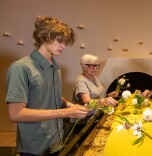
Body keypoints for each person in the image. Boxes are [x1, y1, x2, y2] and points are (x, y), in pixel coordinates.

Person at [5, 16, 90, 156]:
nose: (63, 46)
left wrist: (68, 105)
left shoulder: (55, 67)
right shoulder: (20, 68)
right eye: (60, 41)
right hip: (35, 147)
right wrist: (64, 113)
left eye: (65, 42)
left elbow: (48, 94)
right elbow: (15, 114)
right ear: (44, 37)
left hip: (57, 140)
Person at [71, 54, 118, 133]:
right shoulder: (80, 81)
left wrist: (108, 96)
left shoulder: (94, 78)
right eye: (92, 66)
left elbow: (97, 95)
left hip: (95, 117)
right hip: (84, 122)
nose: (95, 68)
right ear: (83, 66)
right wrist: (103, 101)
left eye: (97, 66)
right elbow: (88, 102)